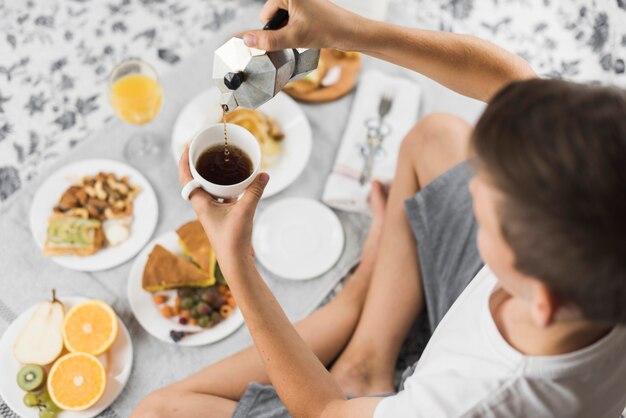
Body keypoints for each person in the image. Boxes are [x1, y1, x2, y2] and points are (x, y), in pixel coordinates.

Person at [132, 0, 626, 417]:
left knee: (157, 410)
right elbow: (511, 80)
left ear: (541, 299)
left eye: (489, 210)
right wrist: (345, 30)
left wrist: (235, 262)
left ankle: (357, 307)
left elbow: (326, 413)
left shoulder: (469, 399)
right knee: (439, 137)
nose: (472, 187)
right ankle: (367, 358)